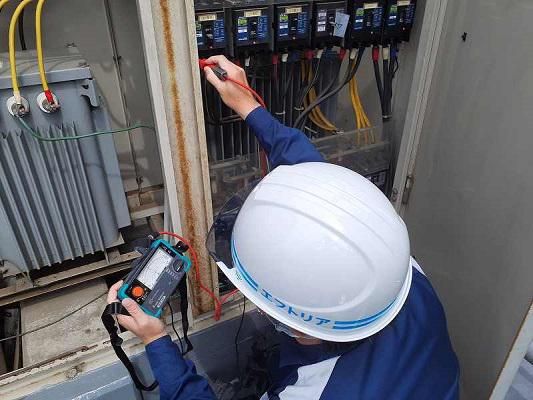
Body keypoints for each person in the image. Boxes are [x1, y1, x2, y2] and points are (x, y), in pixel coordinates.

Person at [107, 55, 459, 400]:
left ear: (299, 328)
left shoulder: (313, 391)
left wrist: (156, 342)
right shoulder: (399, 272)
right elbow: (314, 179)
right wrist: (248, 106)